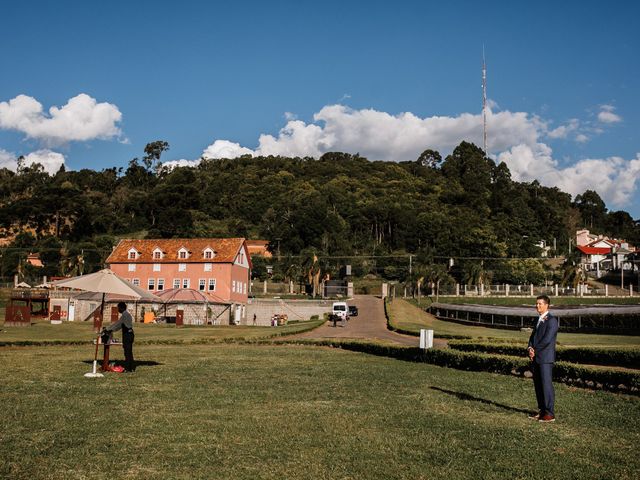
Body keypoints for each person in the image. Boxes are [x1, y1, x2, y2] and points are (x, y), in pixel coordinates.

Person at [527, 295, 558, 422]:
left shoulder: (552, 320)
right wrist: (530, 348)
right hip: (536, 357)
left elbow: (547, 340)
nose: (537, 306)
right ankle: (542, 411)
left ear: (547, 305)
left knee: (546, 385)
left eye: (540, 304)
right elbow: (532, 337)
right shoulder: (538, 320)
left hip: (545, 358)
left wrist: (535, 350)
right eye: (536, 303)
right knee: (538, 385)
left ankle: (549, 413)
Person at [104, 302, 135, 372]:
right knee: (128, 351)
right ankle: (131, 367)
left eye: (118, 308)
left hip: (128, 335)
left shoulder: (125, 315)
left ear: (121, 308)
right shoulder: (126, 314)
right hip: (128, 334)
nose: (118, 310)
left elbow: (118, 324)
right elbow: (119, 326)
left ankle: (128, 368)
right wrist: (111, 330)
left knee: (127, 352)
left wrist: (108, 329)